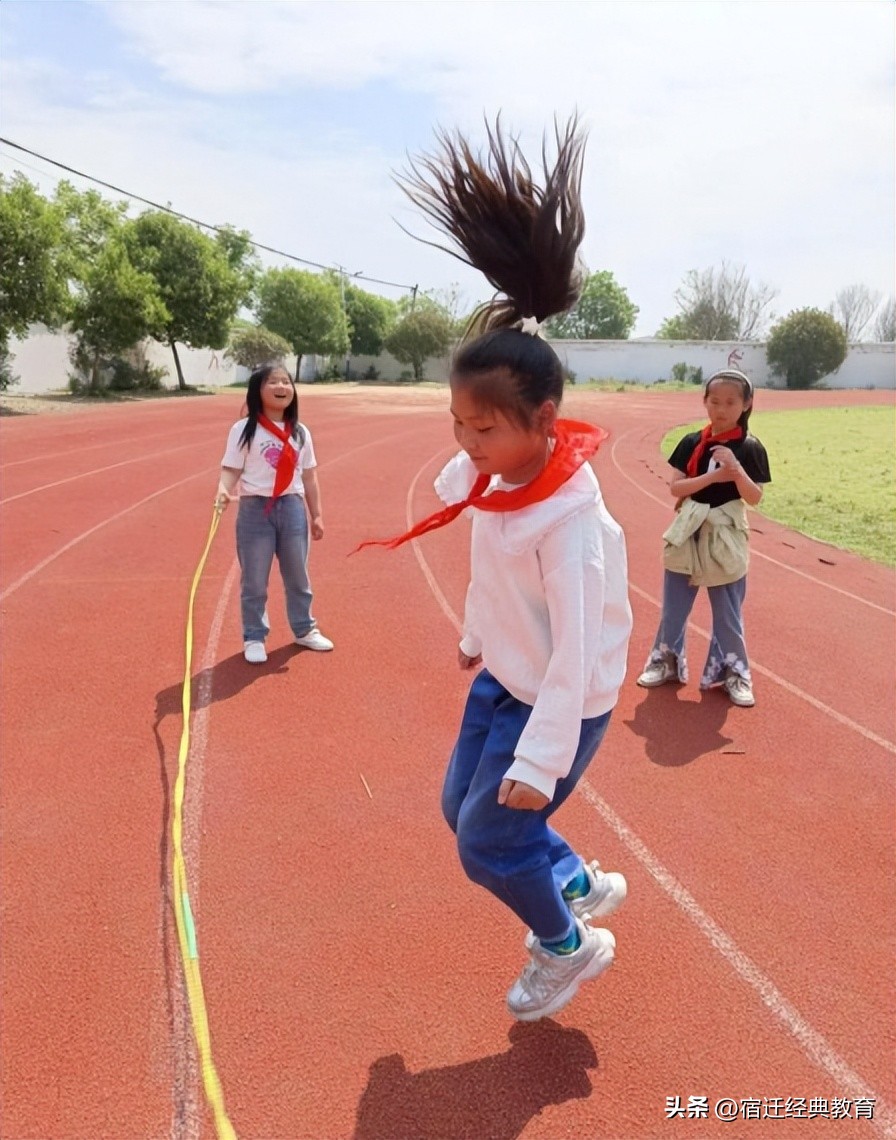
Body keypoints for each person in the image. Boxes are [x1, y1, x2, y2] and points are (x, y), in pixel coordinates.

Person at [359, 118, 632, 1021]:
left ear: (547, 418)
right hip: (507, 677)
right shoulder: (499, 478)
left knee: (486, 841)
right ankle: (576, 876)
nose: (469, 446)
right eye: (459, 425)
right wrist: (480, 634)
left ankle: (569, 944)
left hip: (563, 695)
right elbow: (474, 522)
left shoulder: (570, 523)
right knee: (460, 811)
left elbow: (580, 647)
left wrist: (545, 758)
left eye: (487, 429)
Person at [636, 368, 770, 707]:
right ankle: (665, 661)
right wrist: (711, 479)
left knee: (727, 612)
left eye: (730, 402)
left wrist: (736, 470)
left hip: (725, 533)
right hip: (688, 528)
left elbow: (754, 497)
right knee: (674, 606)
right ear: (704, 401)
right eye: (714, 401)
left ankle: (733, 672)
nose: (721, 409)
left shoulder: (750, 447)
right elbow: (676, 487)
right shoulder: (692, 442)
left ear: (746, 404)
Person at [215, 364, 333, 663]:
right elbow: (231, 468)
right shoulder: (243, 429)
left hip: (291, 506)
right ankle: (254, 636)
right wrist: (223, 490)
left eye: (286, 381)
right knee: (254, 579)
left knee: (297, 574)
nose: (282, 387)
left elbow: (309, 476)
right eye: (273, 382)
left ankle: (304, 628)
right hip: (255, 509)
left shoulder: (301, 432)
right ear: (258, 389)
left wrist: (316, 514)